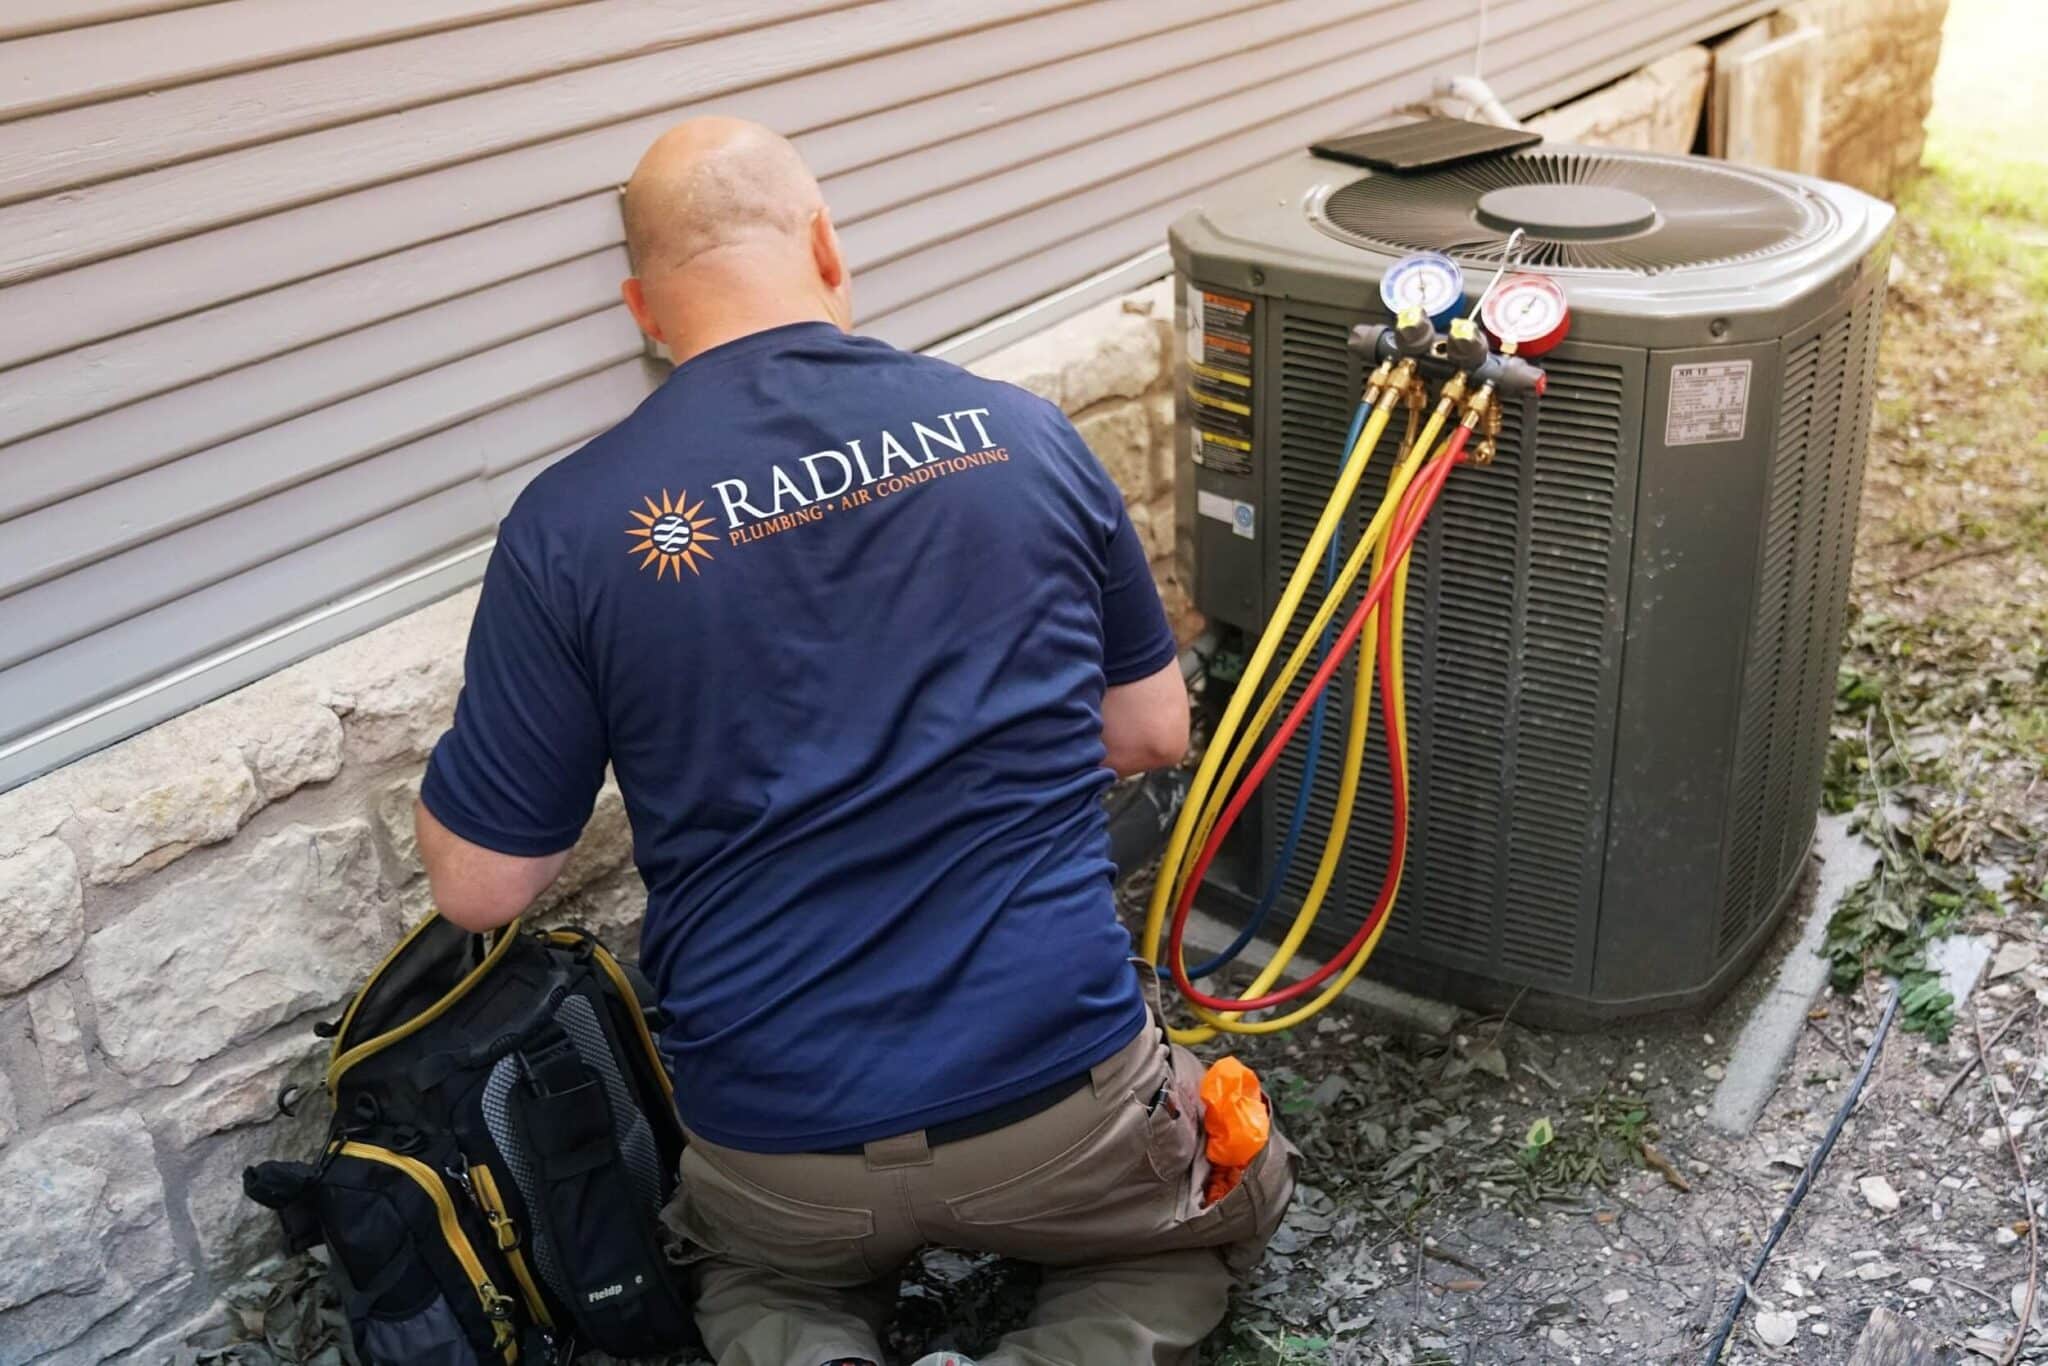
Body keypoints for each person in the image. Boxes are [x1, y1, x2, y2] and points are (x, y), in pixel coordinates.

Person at [414, 115, 1296, 1366]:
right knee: (1199, 1215)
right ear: (825, 244)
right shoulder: (1020, 434)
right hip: (1058, 1101)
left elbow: (478, 883)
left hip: (778, 1145)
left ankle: (804, 1335)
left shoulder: (567, 527)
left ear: (639, 310)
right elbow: (1153, 730)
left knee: (761, 1288)